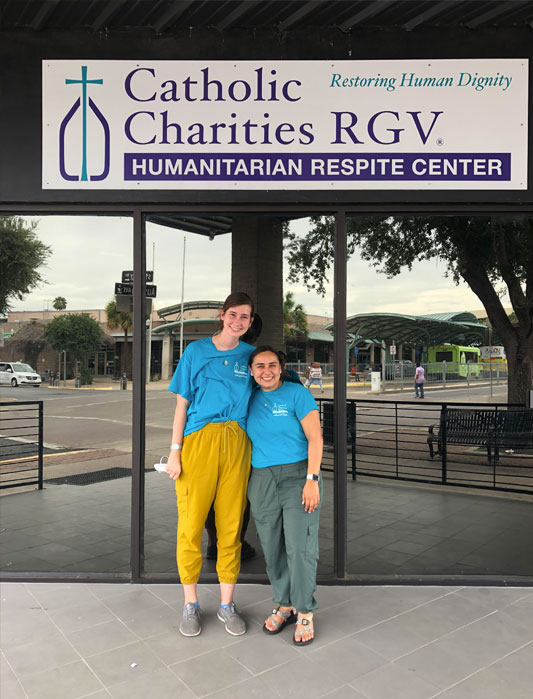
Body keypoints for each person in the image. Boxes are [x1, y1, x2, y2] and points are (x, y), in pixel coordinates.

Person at [166, 292, 255, 638]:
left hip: (237, 443)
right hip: (198, 443)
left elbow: (268, 390)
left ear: (250, 322)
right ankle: (190, 603)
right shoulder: (195, 352)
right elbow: (181, 406)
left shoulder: (250, 357)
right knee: (190, 525)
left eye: (245, 317)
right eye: (233, 314)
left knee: (231, 526)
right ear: (222, 315)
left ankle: (225, 604)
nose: (238, 321)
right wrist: (175, 451)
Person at [247, 346, 323, 646]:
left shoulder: (297, 394)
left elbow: (315, 438)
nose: (266, 371)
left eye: (272, 365)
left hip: (298, 476)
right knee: (272, 546)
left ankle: (305, 610)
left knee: (300, 546)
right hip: (261, 479)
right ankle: (284, 602)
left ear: (281, 368)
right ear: (251, 370)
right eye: (260, 366)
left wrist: (312, 480)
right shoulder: (248, 397)